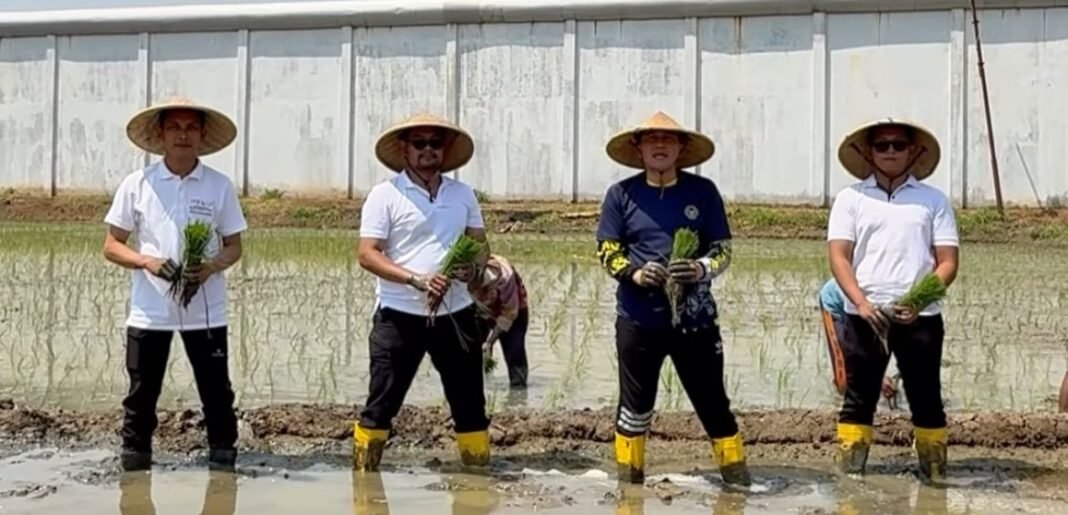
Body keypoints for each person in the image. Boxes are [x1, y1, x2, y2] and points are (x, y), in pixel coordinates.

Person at [596, 111, 751, 487]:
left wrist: (698, 269)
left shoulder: (703, 192)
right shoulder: (621, 195)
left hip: (695, 322)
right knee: (634, 410)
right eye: (652, 139)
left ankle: (737, 482)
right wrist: (635, 273)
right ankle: (629, 490)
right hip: (638, 320)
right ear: (638, 148)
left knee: (714, 406)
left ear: (682, 148)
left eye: (668, 139)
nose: (660, 145)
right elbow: (607, 250)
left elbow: (722, 250)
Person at [102, 96, 246, 472]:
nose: (183, 135)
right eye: (174, 128)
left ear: (202, 135)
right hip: (150, 311)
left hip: (206, 311)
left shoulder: (219, 186)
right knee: (141, 395)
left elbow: (234, 246)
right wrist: (146, 261)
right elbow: (112, 246)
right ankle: (135, 469)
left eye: (191, 128)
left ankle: (223, 468)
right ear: (161, 134)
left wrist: (210, 267)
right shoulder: (138, 184)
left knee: (217, 394)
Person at [354, 113, 491, 471]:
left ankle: (477, 480)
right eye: (419, 143)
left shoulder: (462, 194)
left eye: (435, 143)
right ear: (405, 149)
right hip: (399, 316)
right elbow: (367, 254)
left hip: (456, 315)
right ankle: (364, 483)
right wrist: (416, 279)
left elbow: (480, 246)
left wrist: (473, 270)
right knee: (381, 405)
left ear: (444, 150)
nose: (428, 150)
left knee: (470, 406)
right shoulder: (385, 195)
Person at [826, 118, 959, 482]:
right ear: (868, 152)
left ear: (913, 151)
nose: (890, 152)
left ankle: (935, 477)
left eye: (898, 145)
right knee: (858, 399)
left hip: (920, 318)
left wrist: (917, 302)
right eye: (881, 145)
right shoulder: (851, 199)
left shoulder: (933, 200)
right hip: (864, 317)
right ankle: (851, 480)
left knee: (927, 399)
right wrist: (862, 304)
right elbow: (839, 257)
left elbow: (948, 263)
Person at [819, 279, 899, 408]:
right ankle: (841, 405)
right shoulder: (875, 299)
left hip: (860, 308)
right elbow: (864, 345)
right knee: (843, 370)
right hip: (834, 305)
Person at [456, 254, 530, 389]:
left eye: (465, 269)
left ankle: (518, 393)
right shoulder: (453, 278)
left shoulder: (503, 278)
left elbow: (509, 313)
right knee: (468, 351)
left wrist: (490, 341)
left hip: (513, 309)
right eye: (458, 269)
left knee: (515, 353)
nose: (461, 273)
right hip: (478, 309)